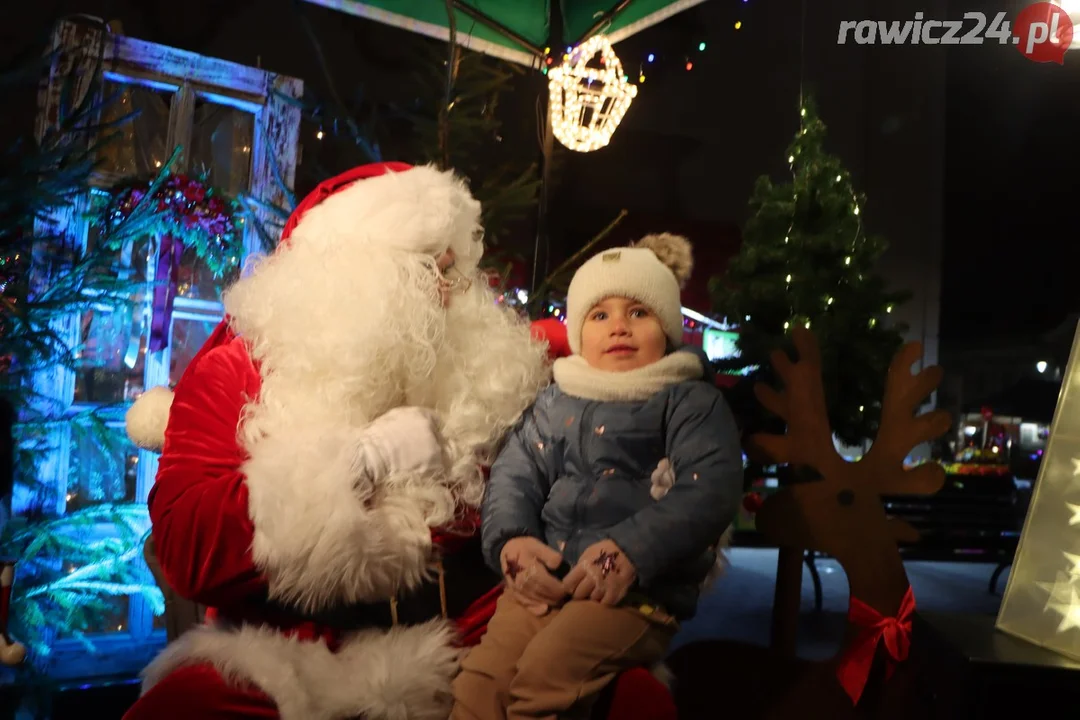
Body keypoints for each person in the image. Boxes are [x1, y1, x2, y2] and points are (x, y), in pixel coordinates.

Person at [121, 162, 552, 720]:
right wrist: (358, 464)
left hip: (468, 638)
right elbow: (185, 547)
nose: (449, 293)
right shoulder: (237, 372)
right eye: (429, 269)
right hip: (297, 654)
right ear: (354, 274)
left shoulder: (476, 377)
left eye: (454, 271)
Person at [451, 234, 744, 720]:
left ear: (668, 328)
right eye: (600, 314)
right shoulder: (556, 400)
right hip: (545, 582)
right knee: (483, 678)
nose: (619, 328)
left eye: (639, 312)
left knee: (547, 674)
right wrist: (513, 544)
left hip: (634, 595)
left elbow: (709, 489)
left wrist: (630, 550)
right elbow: (514, 476)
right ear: (581, 331)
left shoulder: (687, 400)